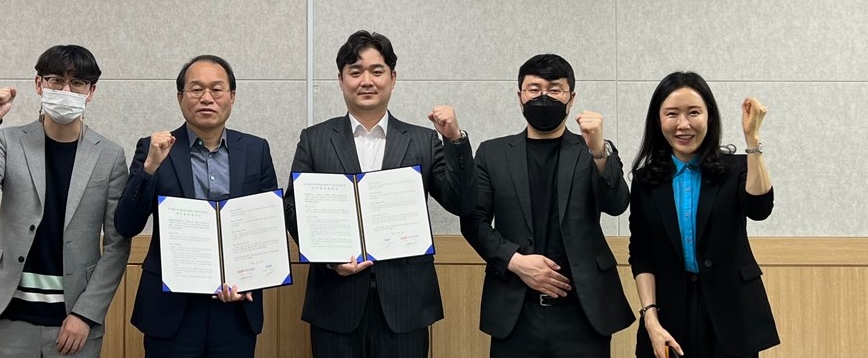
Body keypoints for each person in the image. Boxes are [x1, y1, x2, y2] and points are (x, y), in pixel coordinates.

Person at [283, 30, 475, 358]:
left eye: (377, 71)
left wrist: (455, 140)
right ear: (341, 80)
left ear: (393, 78)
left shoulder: (423, 140)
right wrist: (330, 259)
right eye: (355, 72)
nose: (366, 81)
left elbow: (461, 203)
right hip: (335, 300)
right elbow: (293, 207)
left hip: (406, 303)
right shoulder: (315, 139)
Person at [0, 45, 131, 358]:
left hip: (73, 321)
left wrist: (86, 314)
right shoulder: (8, 140)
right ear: (39, 84)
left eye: (77, 83)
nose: (66, 91)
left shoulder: (110, 155)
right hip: (8, 314)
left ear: (91, 92)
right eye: (56, 81)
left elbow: (117, 244)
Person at [461, 54, 634, 358]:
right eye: (534, 89)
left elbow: (617, 204)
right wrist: (515, 261)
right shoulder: (492, 153)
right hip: (516, 313)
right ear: (520, 96)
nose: (544, 97)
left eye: (555, 89)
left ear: (571, 98)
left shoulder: (592, 150)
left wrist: (598, 150)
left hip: (583, 314)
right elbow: (473, 221)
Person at [114, 55, 280, 358]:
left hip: (235, 306)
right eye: (196, 89)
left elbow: (266, 227)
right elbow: (126, 225)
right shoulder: (154, 148)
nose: (206, 98)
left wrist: (252, 278)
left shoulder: (256, 149)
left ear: (232, 96)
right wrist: (149, 168)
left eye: (216, 89)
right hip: (172, 308)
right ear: (180, 97)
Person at [627, 72, 779, 358]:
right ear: (658, 120)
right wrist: (650, 318)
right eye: (672, 114)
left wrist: (752, 140)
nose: (683, 124)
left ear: (709, 116)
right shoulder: (645, 180)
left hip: (731, 311)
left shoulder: (736, 168)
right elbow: (641, 253)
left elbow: (760, 209)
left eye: (694, 112)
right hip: (669, 313)